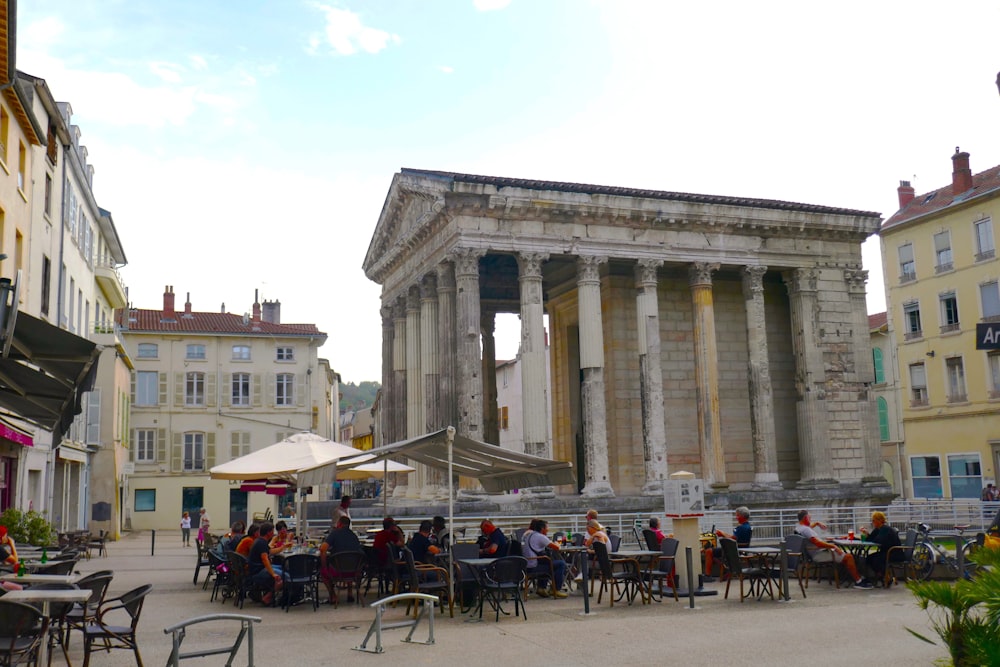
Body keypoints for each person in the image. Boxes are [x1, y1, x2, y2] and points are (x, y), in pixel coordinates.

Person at [795, 510, 872, 588]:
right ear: (806, 518)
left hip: (814, 553)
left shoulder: (800, 528)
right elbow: (818, 543)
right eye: (810, 518)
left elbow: (810, 528)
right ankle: (858, 581)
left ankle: (855, 576)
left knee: (845, 556)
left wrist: (818, 523)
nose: (811, 520)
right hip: (819, 554)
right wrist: (833, 546)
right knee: (849, 557)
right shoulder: (806, 530)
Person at [319, 516, 363, 605]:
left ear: (339, 524)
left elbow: (323, 549)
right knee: (349, 562)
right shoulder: (354, 536)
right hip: (354, 572)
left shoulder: (335, 533)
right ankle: (350, 593)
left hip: (338, 571)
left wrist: (324, 565)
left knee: (323, 572)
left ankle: (333, 596)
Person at [522, 518, 568, 598]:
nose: (548, 529)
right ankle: (556, 590)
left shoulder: (531, 535)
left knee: (547, 561)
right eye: (547, 527)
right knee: (560, 564)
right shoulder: (540, 537)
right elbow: (556, 547)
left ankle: (541, 588)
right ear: (542, 529)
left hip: (527, 565)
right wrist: (557, 543)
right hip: (534, 567)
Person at [704, 506, 752, 580]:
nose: (736, 517)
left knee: (708, 551)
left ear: (742, 516)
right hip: (740, 549)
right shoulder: (746, 526)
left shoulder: (741, 528)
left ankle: (708, 575)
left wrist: (722, 534)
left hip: (734, 550)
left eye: (737, 515)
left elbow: (733, 538)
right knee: (712, 552)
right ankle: (727, 570)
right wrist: (723, 534)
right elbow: (734, 538)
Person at [859, 511, 901, 584]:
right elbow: (871, 539)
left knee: (876, 559)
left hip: (893, 553)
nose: (873, 522)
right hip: (886, 551)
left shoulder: (885, 529)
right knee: (869, 558)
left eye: (874, 520)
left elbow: (878, 540)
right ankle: (882, 575)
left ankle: (885, 576)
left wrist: (870, 537)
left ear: (879, 520)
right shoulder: (878, 529)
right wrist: (866, 533)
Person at [247, 521, 283, 606]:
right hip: (258, 571)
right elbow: (265, 559)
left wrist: (283, 547)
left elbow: (269, 552)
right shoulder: (261, 543)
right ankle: (268, 597)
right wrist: (273, 574)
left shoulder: (259, 541)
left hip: (255, 569)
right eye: (272, 531)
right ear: (269, 532)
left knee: (283, 568)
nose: (273, 533)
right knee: (285, 576)